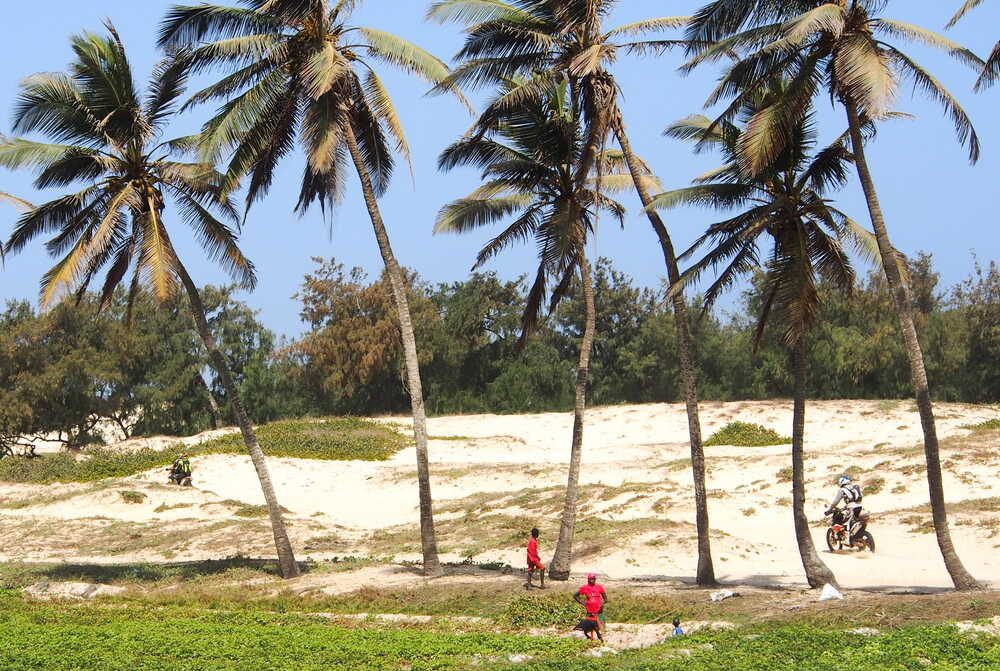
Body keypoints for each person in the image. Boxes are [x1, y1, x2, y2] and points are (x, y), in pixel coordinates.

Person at [825, 474, 863, 543]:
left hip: (851, 509)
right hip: (859, 507)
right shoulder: (854, 487)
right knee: (853, 521)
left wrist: (829, 509)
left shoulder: (842, 490)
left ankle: (847, 538)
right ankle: (853, 537)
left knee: (843, 522)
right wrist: (846, 507)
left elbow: (835, 502)